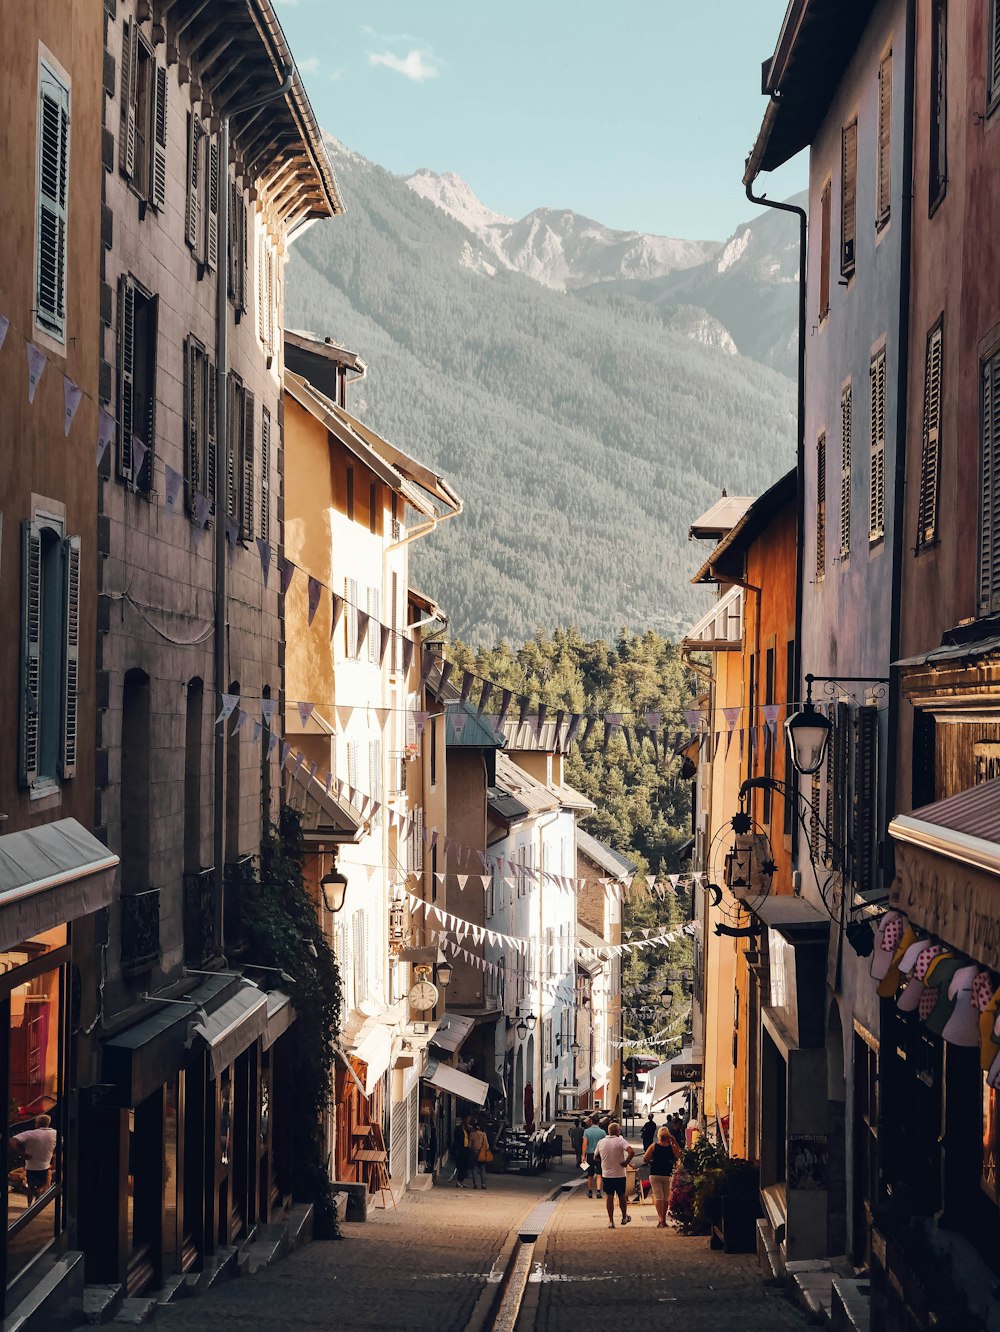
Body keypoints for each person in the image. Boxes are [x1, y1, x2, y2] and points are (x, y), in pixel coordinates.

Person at [594, 1122, 634, 1228]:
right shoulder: (620, 1140)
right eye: (619, 1130)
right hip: (620, 1174)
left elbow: (595, 1157)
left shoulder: (601, 1142)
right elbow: (631, 1151)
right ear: (617, 1131)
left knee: (609, 1197)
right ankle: (624, 1216)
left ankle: (611, 1221)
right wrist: (626, 1162)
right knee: (621, 1196)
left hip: (607, 1174)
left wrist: (604, 1160)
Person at [11, 1113, 57, 1205]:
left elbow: (12, 1141)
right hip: (45, 1165)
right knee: (42, 1185)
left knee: (31, 1186)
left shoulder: (30, 1134)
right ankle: (36, 1205)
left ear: (37, 1123)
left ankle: (29, 1205)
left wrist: (22, 1154)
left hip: (31, 1165)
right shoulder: (55, 1133)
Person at [643, 1124, 681, 1228]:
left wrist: (652, 1159)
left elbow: (645, 1159)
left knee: (658, 1196)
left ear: (659, 1136)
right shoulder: (671, 1147)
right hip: (667, 1174)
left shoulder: (653, 1146)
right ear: (668, 1136)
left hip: (655, 1173)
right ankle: (663, 1219)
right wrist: (674, 1142)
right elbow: (679, 1155)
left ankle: (660, 1218)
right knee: (665, 1197)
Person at [581, 1116, 606, 1200]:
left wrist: (583, 1155)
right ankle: (598, 1191)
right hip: (600, 1155)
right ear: (599, 1122)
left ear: (591, 1121)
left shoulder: (586, 1131)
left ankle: (590, 1192)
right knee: (599, 1173)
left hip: (590, 1154)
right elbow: (604, 1144)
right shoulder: (602, 1132)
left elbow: (584, 1144)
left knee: (590, 1174)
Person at [468, 1118, 489, 1190]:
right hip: (482, 1153)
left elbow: (469, 1145)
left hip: (474, 1153)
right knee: (482, 1169)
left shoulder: (472, 1134)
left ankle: (475, 1184)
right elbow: (487, 1145)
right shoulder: (483, 1134)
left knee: (474, 1168)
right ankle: (483, 1184)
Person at [451, 1115, 471, 1188]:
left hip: (466, 1149)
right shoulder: (458, 1128)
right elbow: (456, 1139)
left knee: (465, 1166)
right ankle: (458, 1181)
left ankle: (461, 1181)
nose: (468, 1121)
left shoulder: (467, 1129)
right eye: (467, 1119)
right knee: (461, 1165)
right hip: (460, 1149)